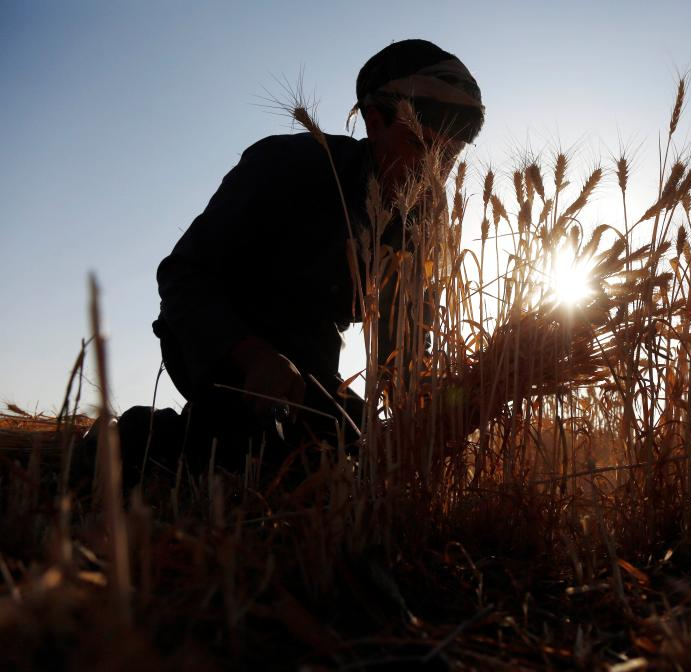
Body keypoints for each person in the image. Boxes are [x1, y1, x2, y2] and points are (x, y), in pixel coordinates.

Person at [138, 39, 484, 479]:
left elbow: (408, 337)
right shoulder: (289, 165)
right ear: (374, 123)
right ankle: (139, 441)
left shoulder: (418, 222)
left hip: (315, 373)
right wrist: (252, 354)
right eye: (421, 145)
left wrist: (435, 407)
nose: (435, 169)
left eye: (450, 156)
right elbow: (183, 276)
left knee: (354, 457)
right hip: (221, 344)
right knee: (247, 459)